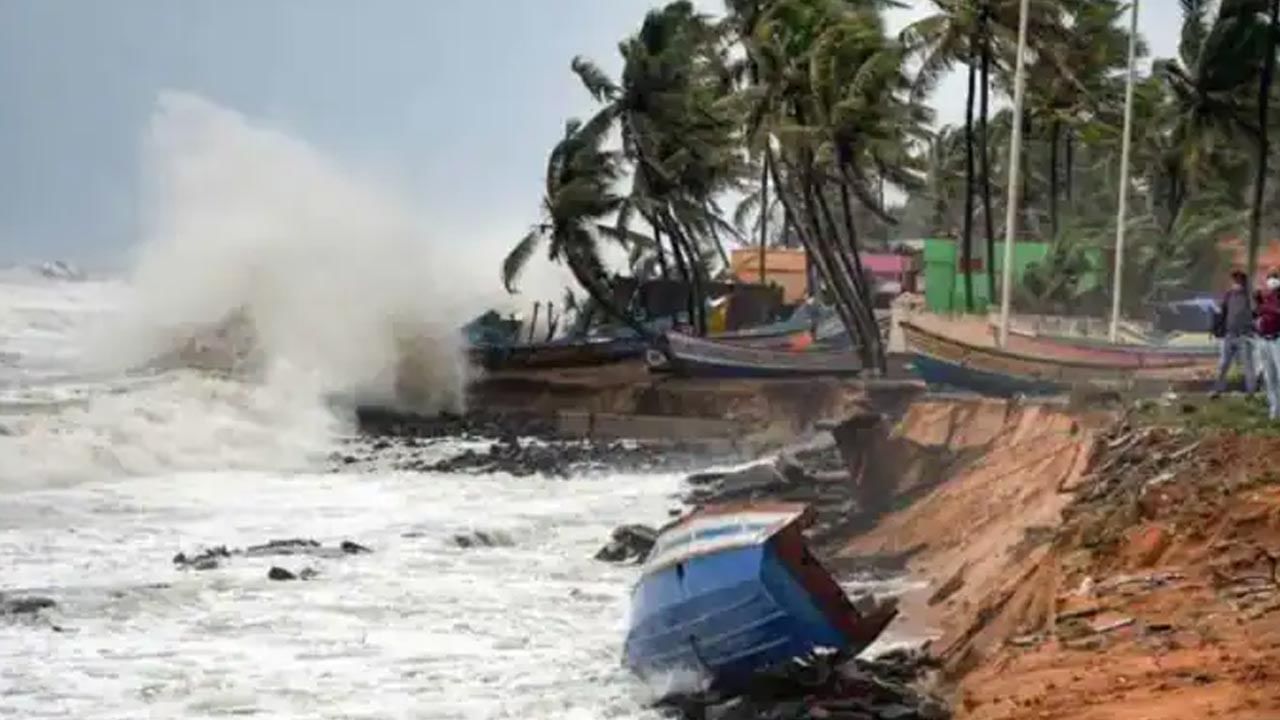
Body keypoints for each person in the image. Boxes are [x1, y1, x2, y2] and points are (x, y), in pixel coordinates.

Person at [1212, 270, 1256, 397]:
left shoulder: (1249, 296)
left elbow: (1255, 312)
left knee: (1248, 364)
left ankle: (1251, 391)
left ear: (1244, 282)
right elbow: (1222, 312)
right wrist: (1219, 329)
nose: (1236, 282)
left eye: (1238, 280)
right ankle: (1218, 390)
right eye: (1234, 280)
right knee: (1223, 364)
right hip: (1229, 334)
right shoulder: (1229, 295)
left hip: (1244, 335)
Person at [1255, 271, 1280, 419]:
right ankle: (1275, 411)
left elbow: (1277, 311)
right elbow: (1258, 313)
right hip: (1264, 340)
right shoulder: (1266, 297)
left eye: (1275, 279)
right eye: (1270, 279)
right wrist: (1259, 302)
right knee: (1269, 377)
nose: (1272, 282)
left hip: (1278, 340)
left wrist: (1264, 307)